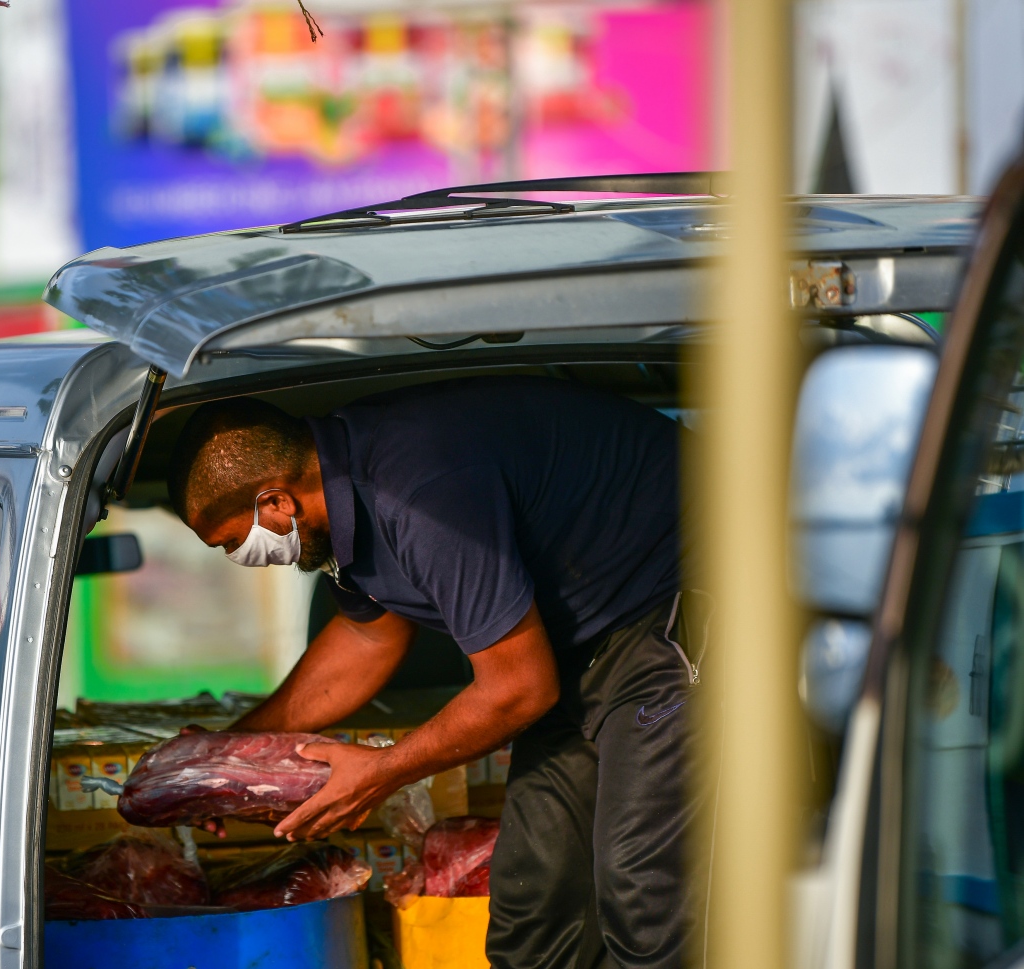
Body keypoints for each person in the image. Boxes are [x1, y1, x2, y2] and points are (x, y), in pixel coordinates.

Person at [166, 377, 703, 969]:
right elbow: (369, 638)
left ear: (275, 503)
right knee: (534, 908)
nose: (242, 559)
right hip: (575, 651)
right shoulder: (347, 496)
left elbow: (518, 688)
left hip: (676, 605)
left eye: (232, 543)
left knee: (644, 888)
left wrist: (380, 773)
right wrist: (228, 755)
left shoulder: (417, 493)